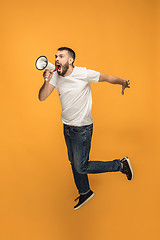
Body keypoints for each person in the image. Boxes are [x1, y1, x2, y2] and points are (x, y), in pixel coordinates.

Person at [38, 47, 134, 210]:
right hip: (67, 127)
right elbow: (42, 97)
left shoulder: (83, 73)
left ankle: (121, 165)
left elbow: (107, 78)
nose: (56, 59)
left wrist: (123, 83)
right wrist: (46, 80)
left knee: (80, 166)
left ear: (70, 60)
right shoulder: (55, 76)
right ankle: (85, 192)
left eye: (61, 56)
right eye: (55, 56)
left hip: (82, 130)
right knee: (73, 162)